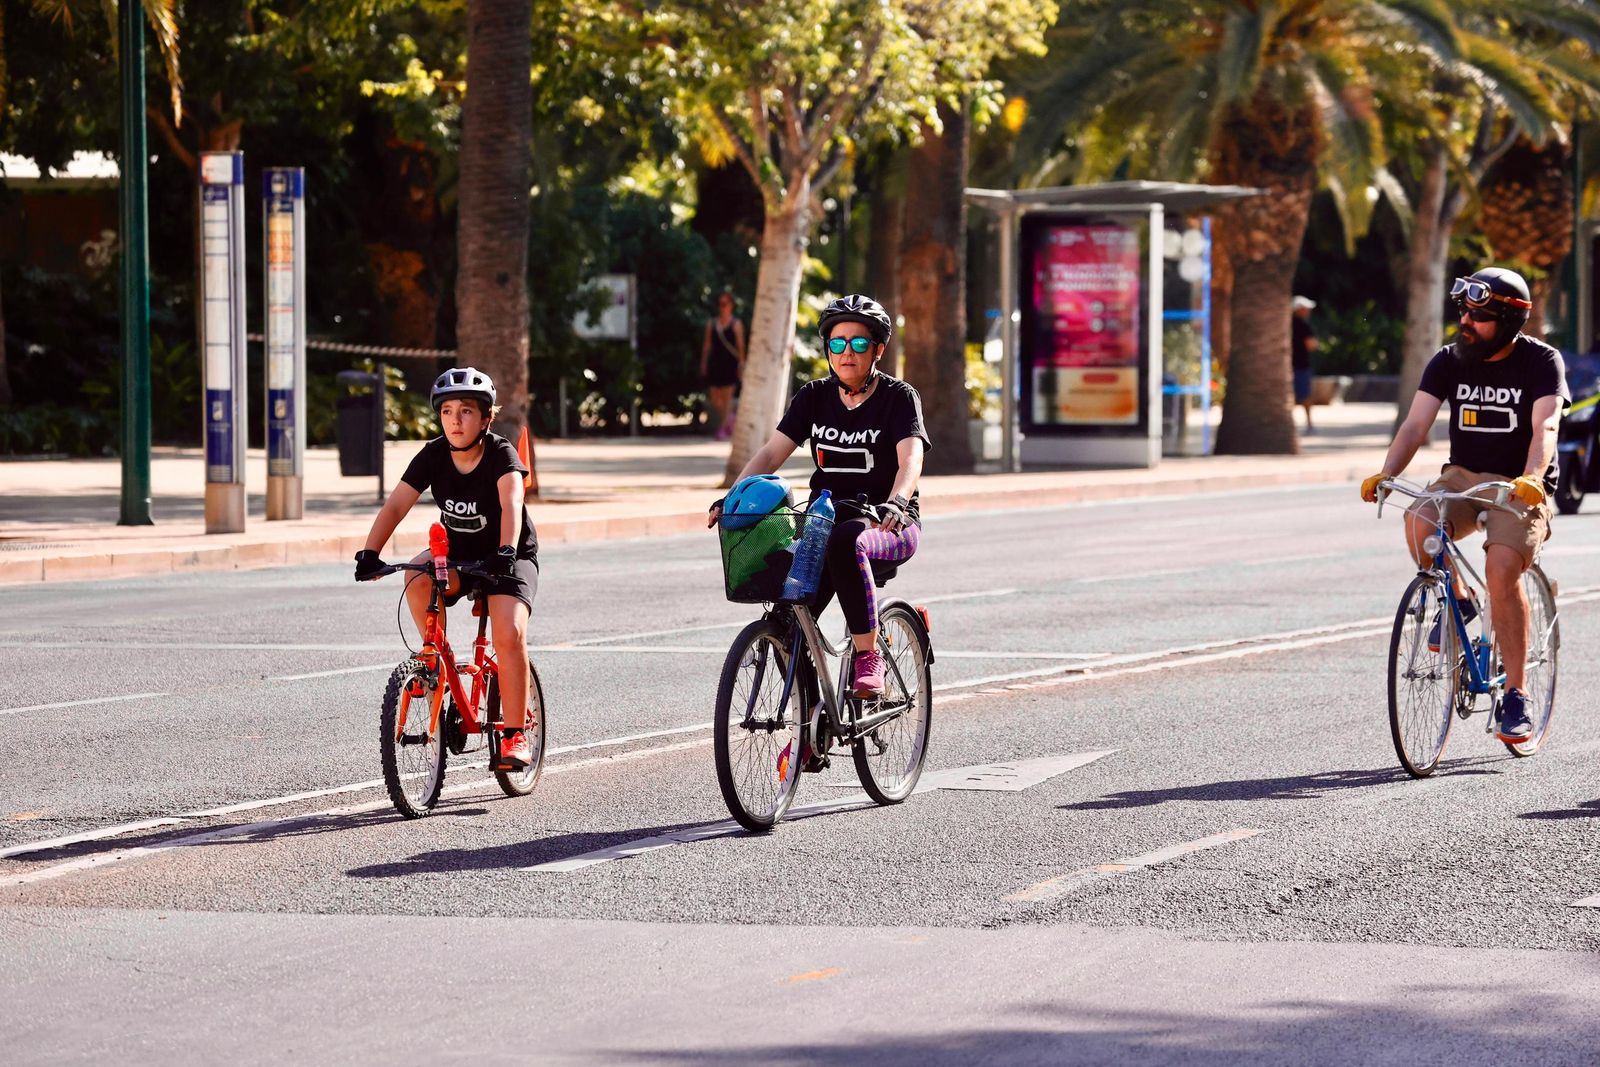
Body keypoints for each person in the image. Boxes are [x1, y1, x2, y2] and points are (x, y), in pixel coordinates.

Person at [1360, 267, 1566, 743]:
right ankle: (1461, 602)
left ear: (1511, 322)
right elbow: (1415, 425)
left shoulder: (1541, 362)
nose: (1467, 322)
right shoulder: (1449, 360)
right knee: (1418, 520)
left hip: (1519, 485)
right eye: (1465, 312)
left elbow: (1546, 428)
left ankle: (1516, 696)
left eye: (1480, 316)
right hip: (1463, 476)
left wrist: (1533, 478)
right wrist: (1387, 472)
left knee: (1501, 569)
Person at [708, 294, 929, 696]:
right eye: (838, 343)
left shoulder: (898, 398)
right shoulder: (814, 397)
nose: (847, 352)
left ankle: (867, 656)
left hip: (889, 523)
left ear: (877, 349)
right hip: (822, 522)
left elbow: (910, 460)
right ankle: (809, 723)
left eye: (859, 343)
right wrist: (731, 498)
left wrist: (897, 502)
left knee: (847, 542)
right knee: (787, 615)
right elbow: (772, 452)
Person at [353, 367, 541, 771]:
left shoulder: (500, 453)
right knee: (416, 574)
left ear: (486, 417)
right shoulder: (434, 454)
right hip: (457, 555)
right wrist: (370, 552)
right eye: (448, 411)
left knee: (508, 631)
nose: (456, 421)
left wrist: (506, 549)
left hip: (508, 557)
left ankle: (514, 734)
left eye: (467, 411)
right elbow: (397, 505)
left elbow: (512, 503)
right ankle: (435, 663)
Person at [701, 291, 745, 441]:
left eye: (725, 304)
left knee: (727, 399)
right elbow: (707, 344)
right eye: (720, 304)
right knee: (715, 399)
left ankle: (722, 429)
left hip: (730, 364)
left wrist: (741, 365)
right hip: (715, 364)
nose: (722, 307)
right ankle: (730, 419)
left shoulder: (736, 324)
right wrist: (704, 362)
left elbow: (740, 346)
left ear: (731, 306)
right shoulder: (712, 324)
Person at [1291, 295, 1319, 433]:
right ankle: (1309, 424)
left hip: (1288, 366)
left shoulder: (1286, 324)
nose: (1309, 311)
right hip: (1301, 365)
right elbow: (1311, 345)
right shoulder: (1304, 325)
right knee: (1305, 396)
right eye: (1306, 308)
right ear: (1300, 310)